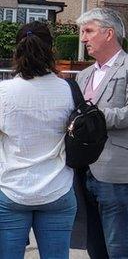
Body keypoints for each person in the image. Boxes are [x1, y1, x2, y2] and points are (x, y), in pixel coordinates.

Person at [73, 8, 128, 259]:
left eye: (89, 31)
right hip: (83, 169)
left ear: (109, 34)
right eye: (82, 32)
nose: (83, 38)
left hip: (116, 171)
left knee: (118, 247)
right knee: (94, 246)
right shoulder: (83, 75)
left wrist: (92, 119)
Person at [0, 22, 77, 258]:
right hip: (58, 188)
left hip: (12, 188)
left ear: (17, 51)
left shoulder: (4, 91)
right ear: (51, 50)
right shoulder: (69, 89)